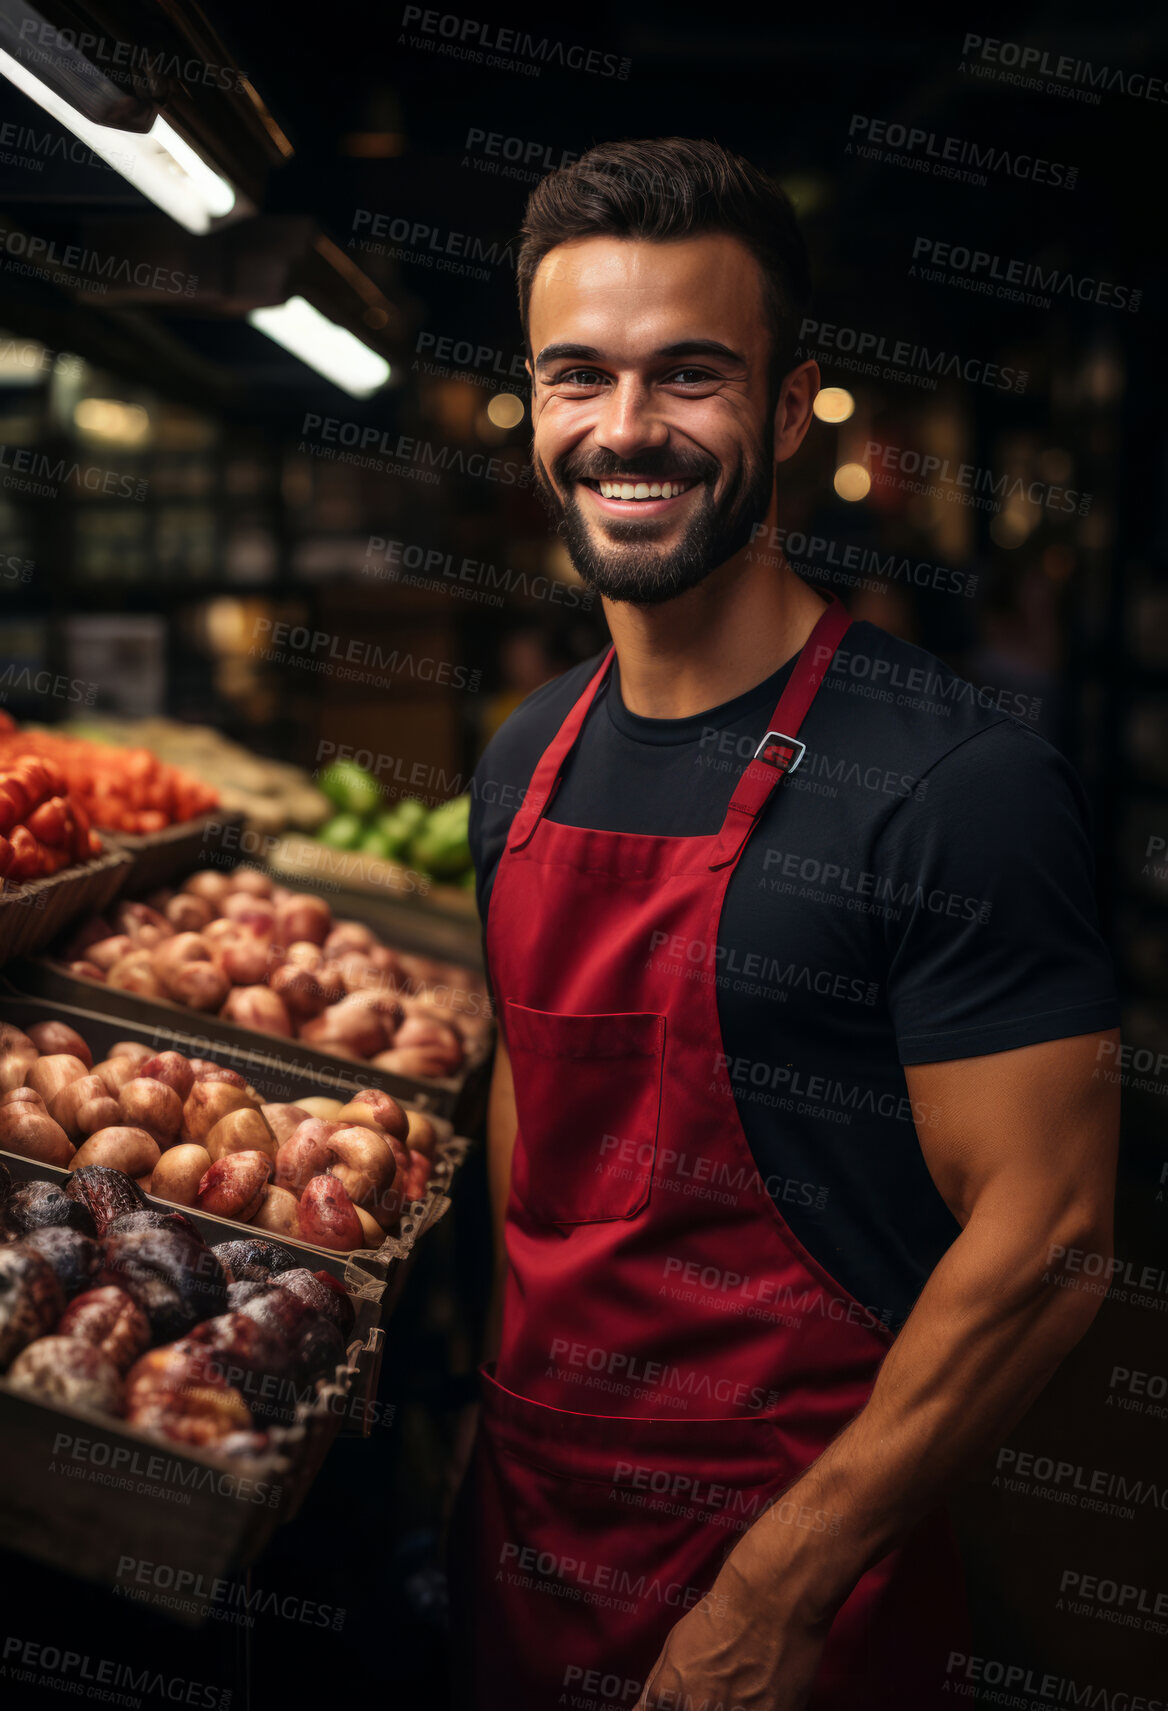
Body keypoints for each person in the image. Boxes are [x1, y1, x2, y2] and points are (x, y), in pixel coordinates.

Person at [449, 137, 1120, 1711]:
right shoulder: (519, 756)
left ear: (786, 395)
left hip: (803, 1581)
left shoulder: (957, 785)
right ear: (534, 404)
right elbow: (534, 1112)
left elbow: (1052, 1238)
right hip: (532, 1520)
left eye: (689, 376)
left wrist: (781, 1587)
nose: (626, 431)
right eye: (577, 377)